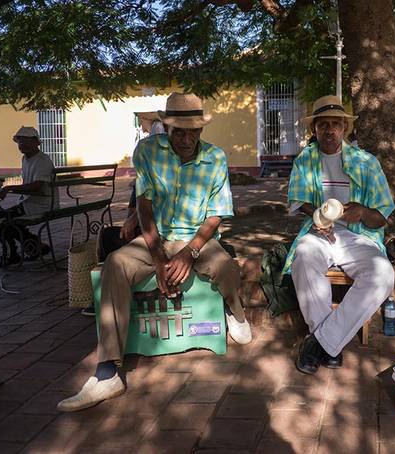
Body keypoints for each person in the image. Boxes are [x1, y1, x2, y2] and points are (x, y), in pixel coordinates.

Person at [58, 93, 252, 411]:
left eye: (194, 131)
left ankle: (235, 309)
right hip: (157, 238)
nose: (187, 138)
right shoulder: (147, 151)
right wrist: (159, 256)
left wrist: (189, 253)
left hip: (198, 239)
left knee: (225, 266)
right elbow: (143, 204)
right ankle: (108, 373)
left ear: (202, 130)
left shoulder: (215, 158)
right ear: (166, 126)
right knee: (116, 264)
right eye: (179, 131)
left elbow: (216, 214)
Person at [285, 95, 395, 375]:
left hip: (359, 237)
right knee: (304, 259)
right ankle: (329, 344)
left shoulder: (366, 163)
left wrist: (362, 212)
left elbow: (382, 215)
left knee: (383, 274)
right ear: (315, 130)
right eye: (324, 125)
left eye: (336, 124)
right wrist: (317, 216)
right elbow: (298, 200)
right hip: (320, 232)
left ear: (345, 128)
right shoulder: (305, 160)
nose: (330, 130)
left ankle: (320, 344)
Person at [0, 127, 57, 268]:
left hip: (41, 204)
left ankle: (10, 256)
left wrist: (8, 188)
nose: (22, 144)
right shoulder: (26, 159)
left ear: (36, 142)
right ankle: (35, 245)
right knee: (4, 219)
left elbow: (37, 186)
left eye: (25, 141)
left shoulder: (42, 160)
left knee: (0, 219)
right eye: (19, 142)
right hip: (31, 202)